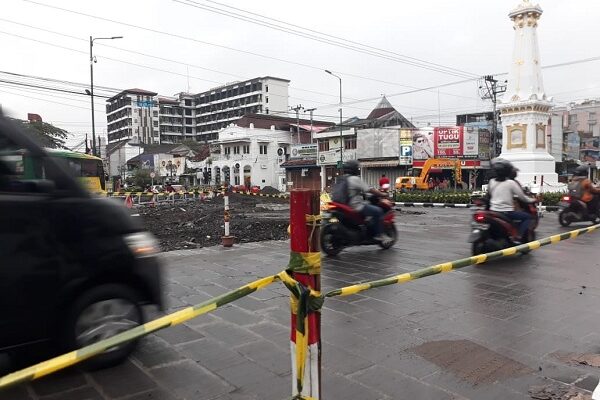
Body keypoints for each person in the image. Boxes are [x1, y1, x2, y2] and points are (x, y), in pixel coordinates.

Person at [488, 159, 537, 244]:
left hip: (493, 211)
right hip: (506, 212)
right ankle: (519, 236)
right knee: (527, 217)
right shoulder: (511, 183)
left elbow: (490, 194)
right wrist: (533, 200)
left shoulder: (491, 182)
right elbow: (523, 197)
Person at [343, 160, 392, 243]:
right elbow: (369, 189)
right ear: (354, 169)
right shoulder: (354, 179)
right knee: (378, 211)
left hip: (345, 205)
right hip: (356, 206)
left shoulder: (342, 178)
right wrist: (382, 194)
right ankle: (379, 235)